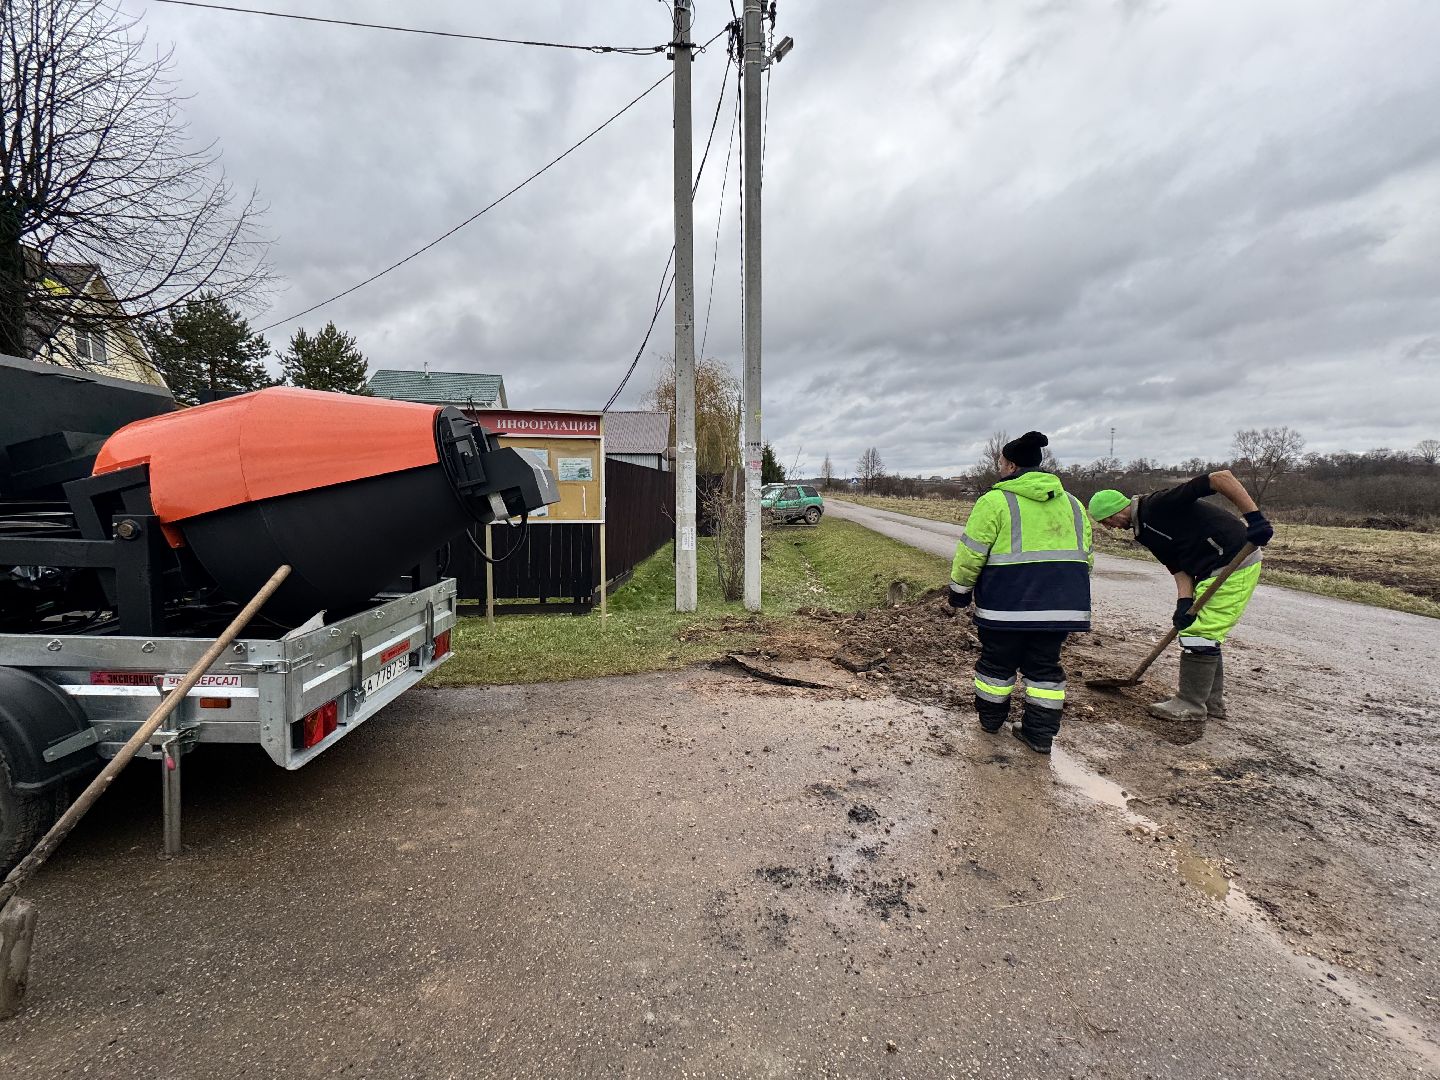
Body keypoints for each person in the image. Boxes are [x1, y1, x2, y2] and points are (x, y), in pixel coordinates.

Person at [1087, 471, 1274, 721]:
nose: (1109, 527)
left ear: (1114, 512)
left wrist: (1255, 518)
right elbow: (1177, 567)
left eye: (1106, 521)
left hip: (1235, 562)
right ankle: (1209, 702)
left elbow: (1221, 478)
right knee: (1201, 632)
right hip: (1209, 570)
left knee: (1200, 633)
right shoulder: (1143, 531)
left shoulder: (1158, 505)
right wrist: (1183, 602)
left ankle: (1190, 704)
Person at [948, 431, 1093, 755]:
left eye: (1001, 462)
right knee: (1045, 669)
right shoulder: (1073, 504)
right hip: (1059, 608)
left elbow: (971, 553)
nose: (999, 467)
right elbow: (1087, 557)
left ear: (1011, 466)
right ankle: (1039, 736)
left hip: (1005, 605)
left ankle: (990, 722)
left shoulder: (994, 502)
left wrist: (959, 591)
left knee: (996, 665)